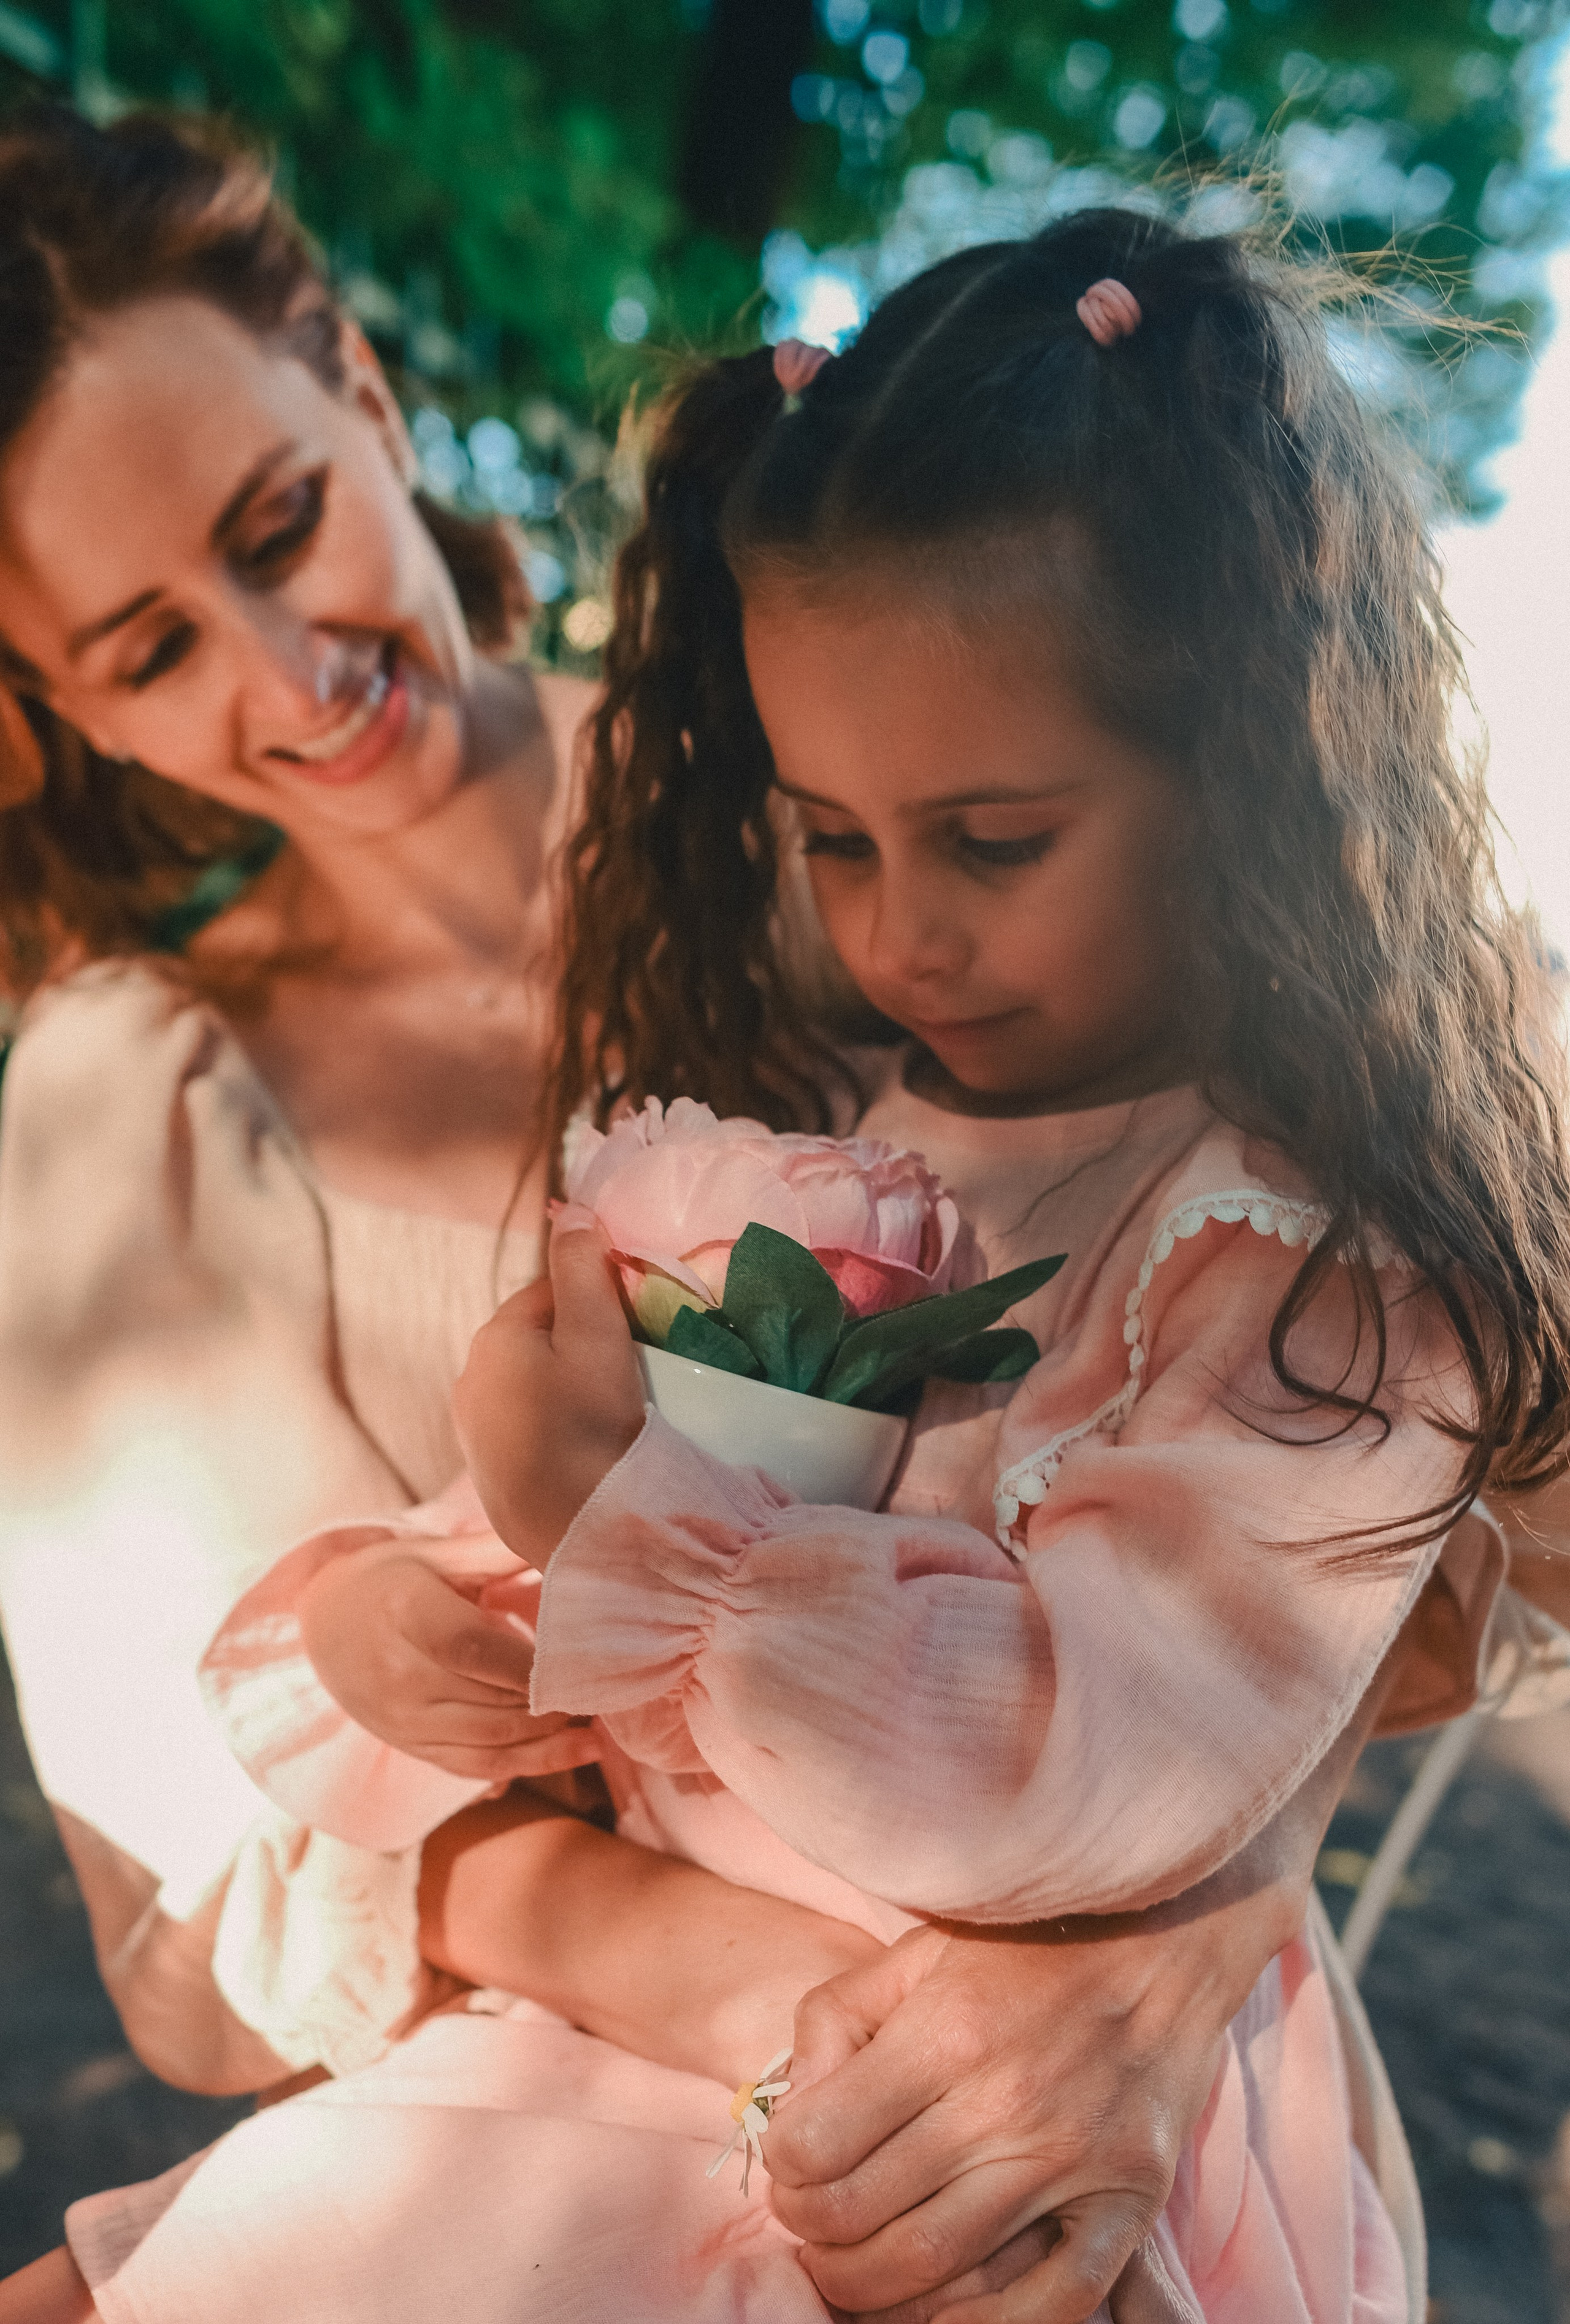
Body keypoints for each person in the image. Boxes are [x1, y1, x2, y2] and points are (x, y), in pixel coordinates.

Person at [58, 210, 1570, 2322]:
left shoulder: (1287, 1246)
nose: (896, 938)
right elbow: (606, 1554)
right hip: (671, 2064)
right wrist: (404, 1612)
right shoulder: (851, 1129)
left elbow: (1116, 1734)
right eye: (831, 840)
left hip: (1033, 2130)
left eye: (992, 844)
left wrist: (615, 1512)